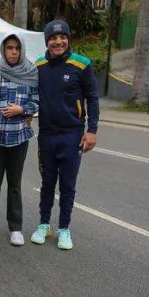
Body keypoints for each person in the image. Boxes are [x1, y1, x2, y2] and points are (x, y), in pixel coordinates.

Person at [30, 19, 99, 250]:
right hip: (46, 135)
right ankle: (43, 225)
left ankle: (64, 229)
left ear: (68, 39)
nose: (58, 42)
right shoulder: (38, 65)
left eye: (62, 37)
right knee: (47, 183)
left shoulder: (81, 64)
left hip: (72, 135)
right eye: (52, 38)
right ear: (47, 41)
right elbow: (30, 93)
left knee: (68, 185)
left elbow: (92, 97)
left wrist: (91, 130)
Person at [0, 34, 39, 246]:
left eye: (16, 48)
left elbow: (36, 101)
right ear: (3, 50)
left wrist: (21, 109)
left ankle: (15, 227)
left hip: (19, 137)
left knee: (14, 184)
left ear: (22, 49)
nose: (13, 52)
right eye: (9, 48)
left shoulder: (30, 72)